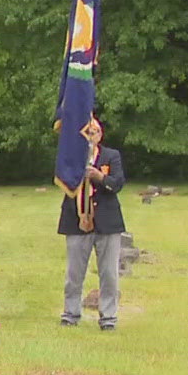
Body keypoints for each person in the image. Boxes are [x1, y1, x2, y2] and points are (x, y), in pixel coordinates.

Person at [57, 114, 125, 331]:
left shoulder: (111, 156)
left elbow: (118, 183)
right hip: (76, 220)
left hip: (107, 221)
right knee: (74, 273)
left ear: (100, 134)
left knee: (109, 274)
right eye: (87, 132)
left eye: (94, 132)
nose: (90, 136)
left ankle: (108, 318)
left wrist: (99, 177)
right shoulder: (71, 156)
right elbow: (62, 179)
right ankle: (71, 313)